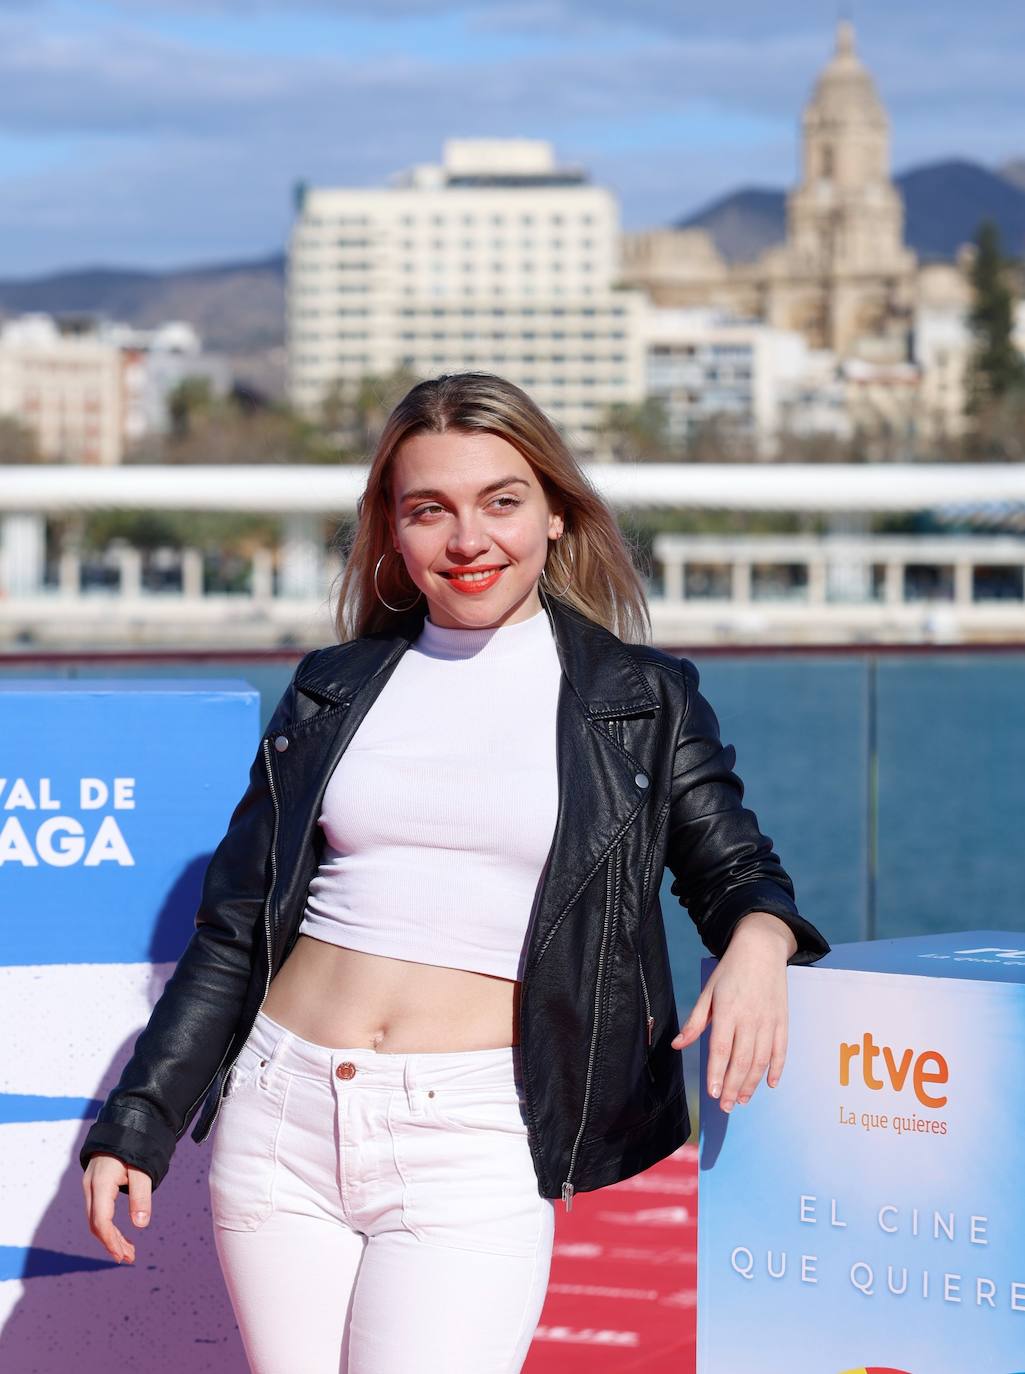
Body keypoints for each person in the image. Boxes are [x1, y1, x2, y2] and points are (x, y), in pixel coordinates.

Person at [80, 372, 830, 1373]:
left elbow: (734, 871)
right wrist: (137, 1122)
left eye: (500, 502)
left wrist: (757, 944)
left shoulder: (636, 699)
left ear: (557, 514)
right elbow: (235, 928)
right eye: (429, 509)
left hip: (470, 1133)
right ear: (393, 531)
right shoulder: (332, 688)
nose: (467, 539)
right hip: (280, 1112)